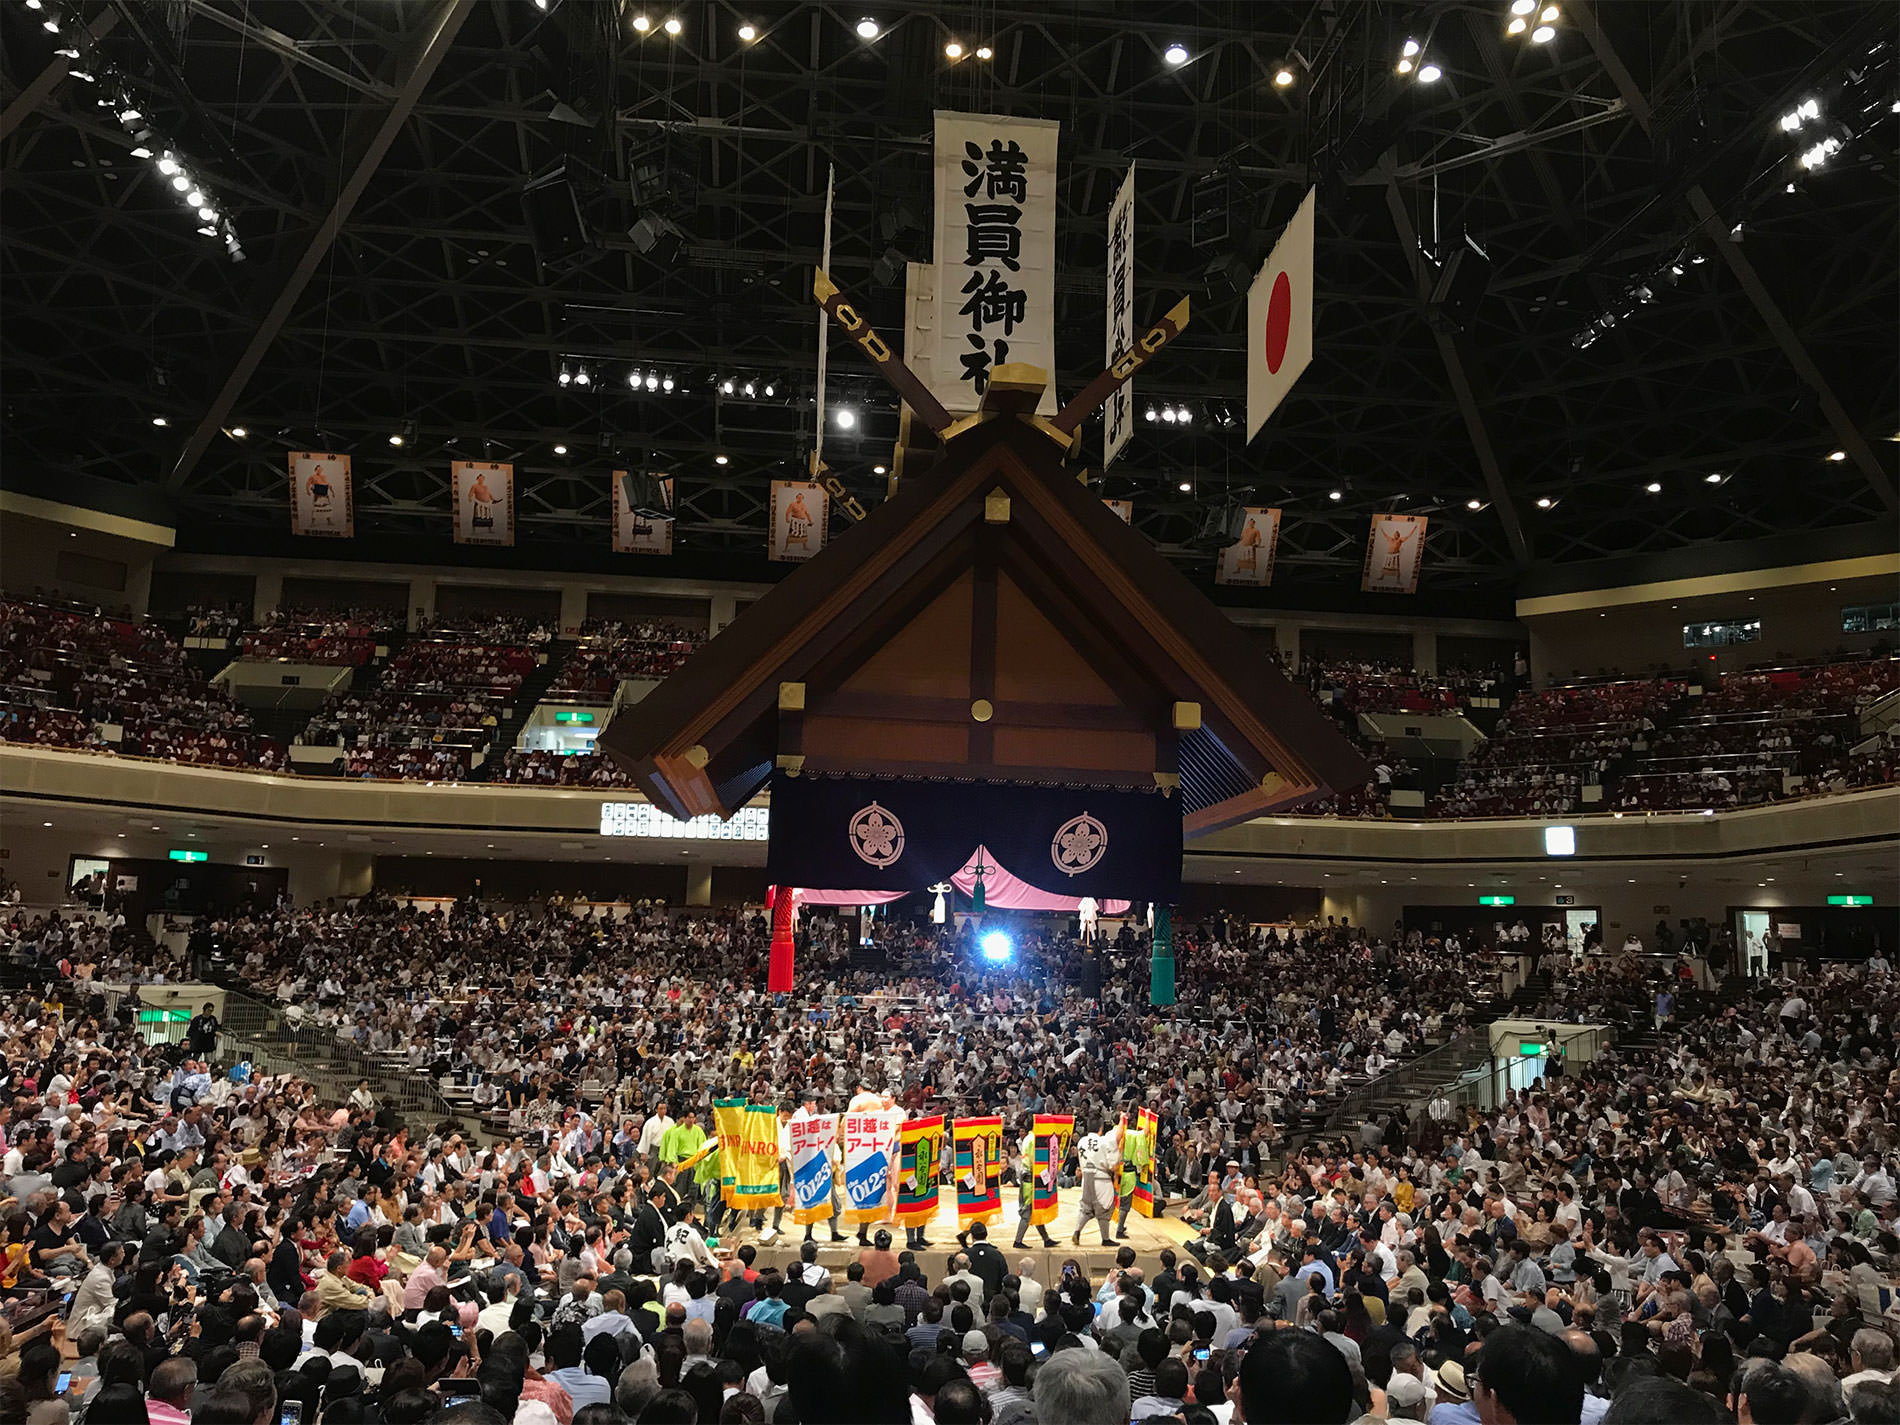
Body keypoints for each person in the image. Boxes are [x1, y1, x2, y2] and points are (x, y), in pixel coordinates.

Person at [1071, 1118, 1124, 1248]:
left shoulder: (1081, 1142)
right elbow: (1113, 1164)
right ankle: (1105, 1239)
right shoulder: (1103, 1141)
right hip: (1101, 1178)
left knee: (1086, 1208)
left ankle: (1077, 1231)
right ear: (1100, 1129)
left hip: (1086, 1178)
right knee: (1104, 1208)